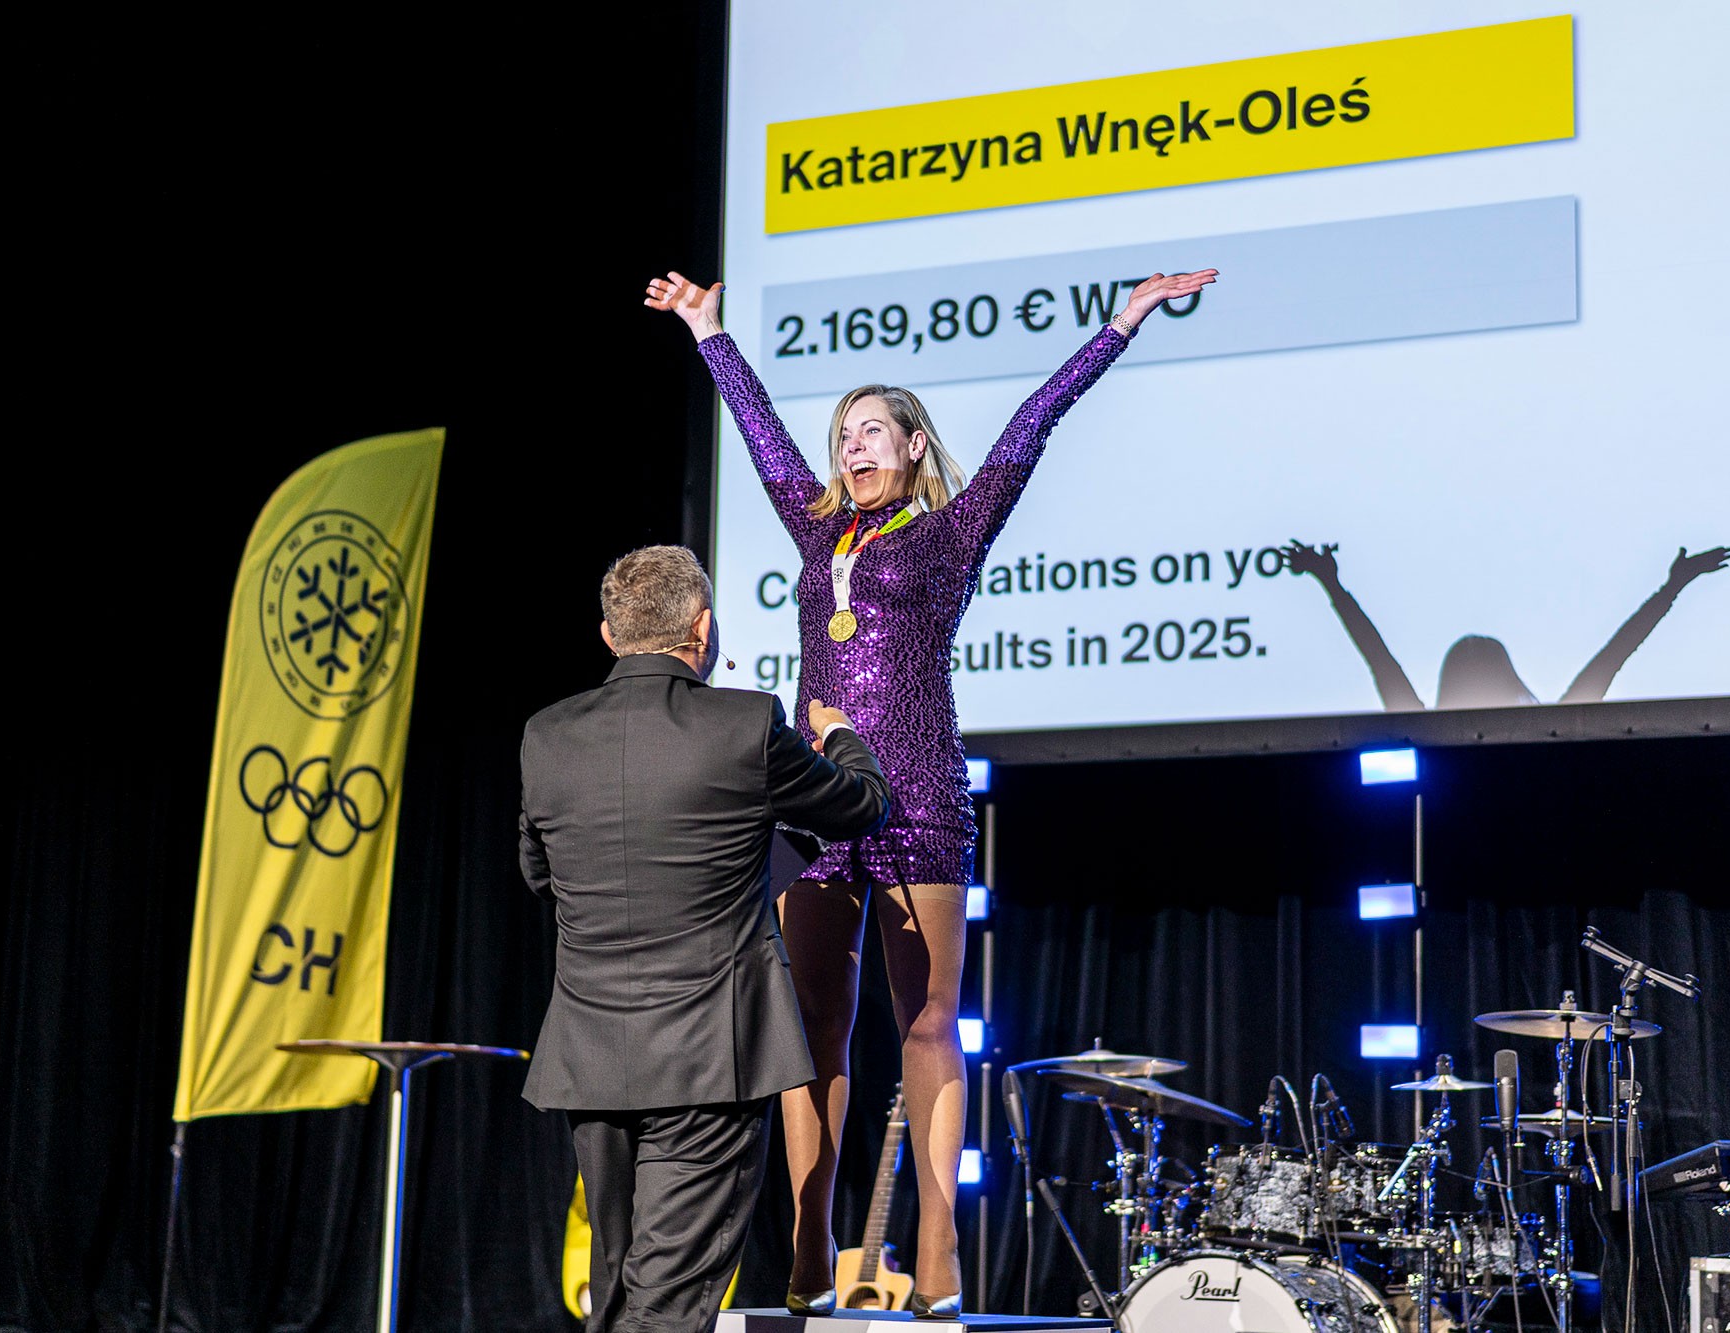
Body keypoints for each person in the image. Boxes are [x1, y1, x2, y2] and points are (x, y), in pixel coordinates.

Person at [648, 265, 1217, 1317]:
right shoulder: (816, 530)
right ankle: (812, 1247)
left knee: (925, 1023)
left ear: (912, 446)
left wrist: (1118, 325)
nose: (854, 445)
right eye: (845, 434)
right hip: (814, 805)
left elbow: (1031, 425)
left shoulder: (952, 532)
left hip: (915, 795)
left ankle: (939, 1248)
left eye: (875, 431)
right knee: (812, 1024)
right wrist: (709, 333)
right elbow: (760, 430)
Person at [519, 544, 891, 1333]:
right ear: (704, 628)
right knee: (665, 1302)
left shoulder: (546, 736)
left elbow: (540, 874)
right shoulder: (746, 723)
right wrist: (844, 735)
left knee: (618, 1287)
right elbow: (860, 806)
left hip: (591, 1061)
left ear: (609, 635)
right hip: (707, 1058)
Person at [1281, 539, 1730, 709]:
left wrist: (1331, 584)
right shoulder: (1550, 732)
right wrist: (1674, 585)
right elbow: (1614, 655)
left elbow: (1378, 657)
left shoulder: (1424, 732)